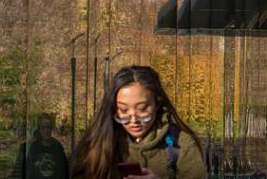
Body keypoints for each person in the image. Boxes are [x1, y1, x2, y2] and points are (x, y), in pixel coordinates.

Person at [72, 65, 207, 179]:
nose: (134, 120)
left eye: (142, 109)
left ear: (157, 103)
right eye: (123, 110)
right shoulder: (96, 142)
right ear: (114, 108)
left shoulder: (181, 142)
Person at [11, 112, 69, 179]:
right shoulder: (34, 147)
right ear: (39, 129)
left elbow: (64, 172)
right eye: (43, 128)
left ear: (51, 128)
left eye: (48, 127)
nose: (46, 131)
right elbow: (29, 171)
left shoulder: (57, 146)